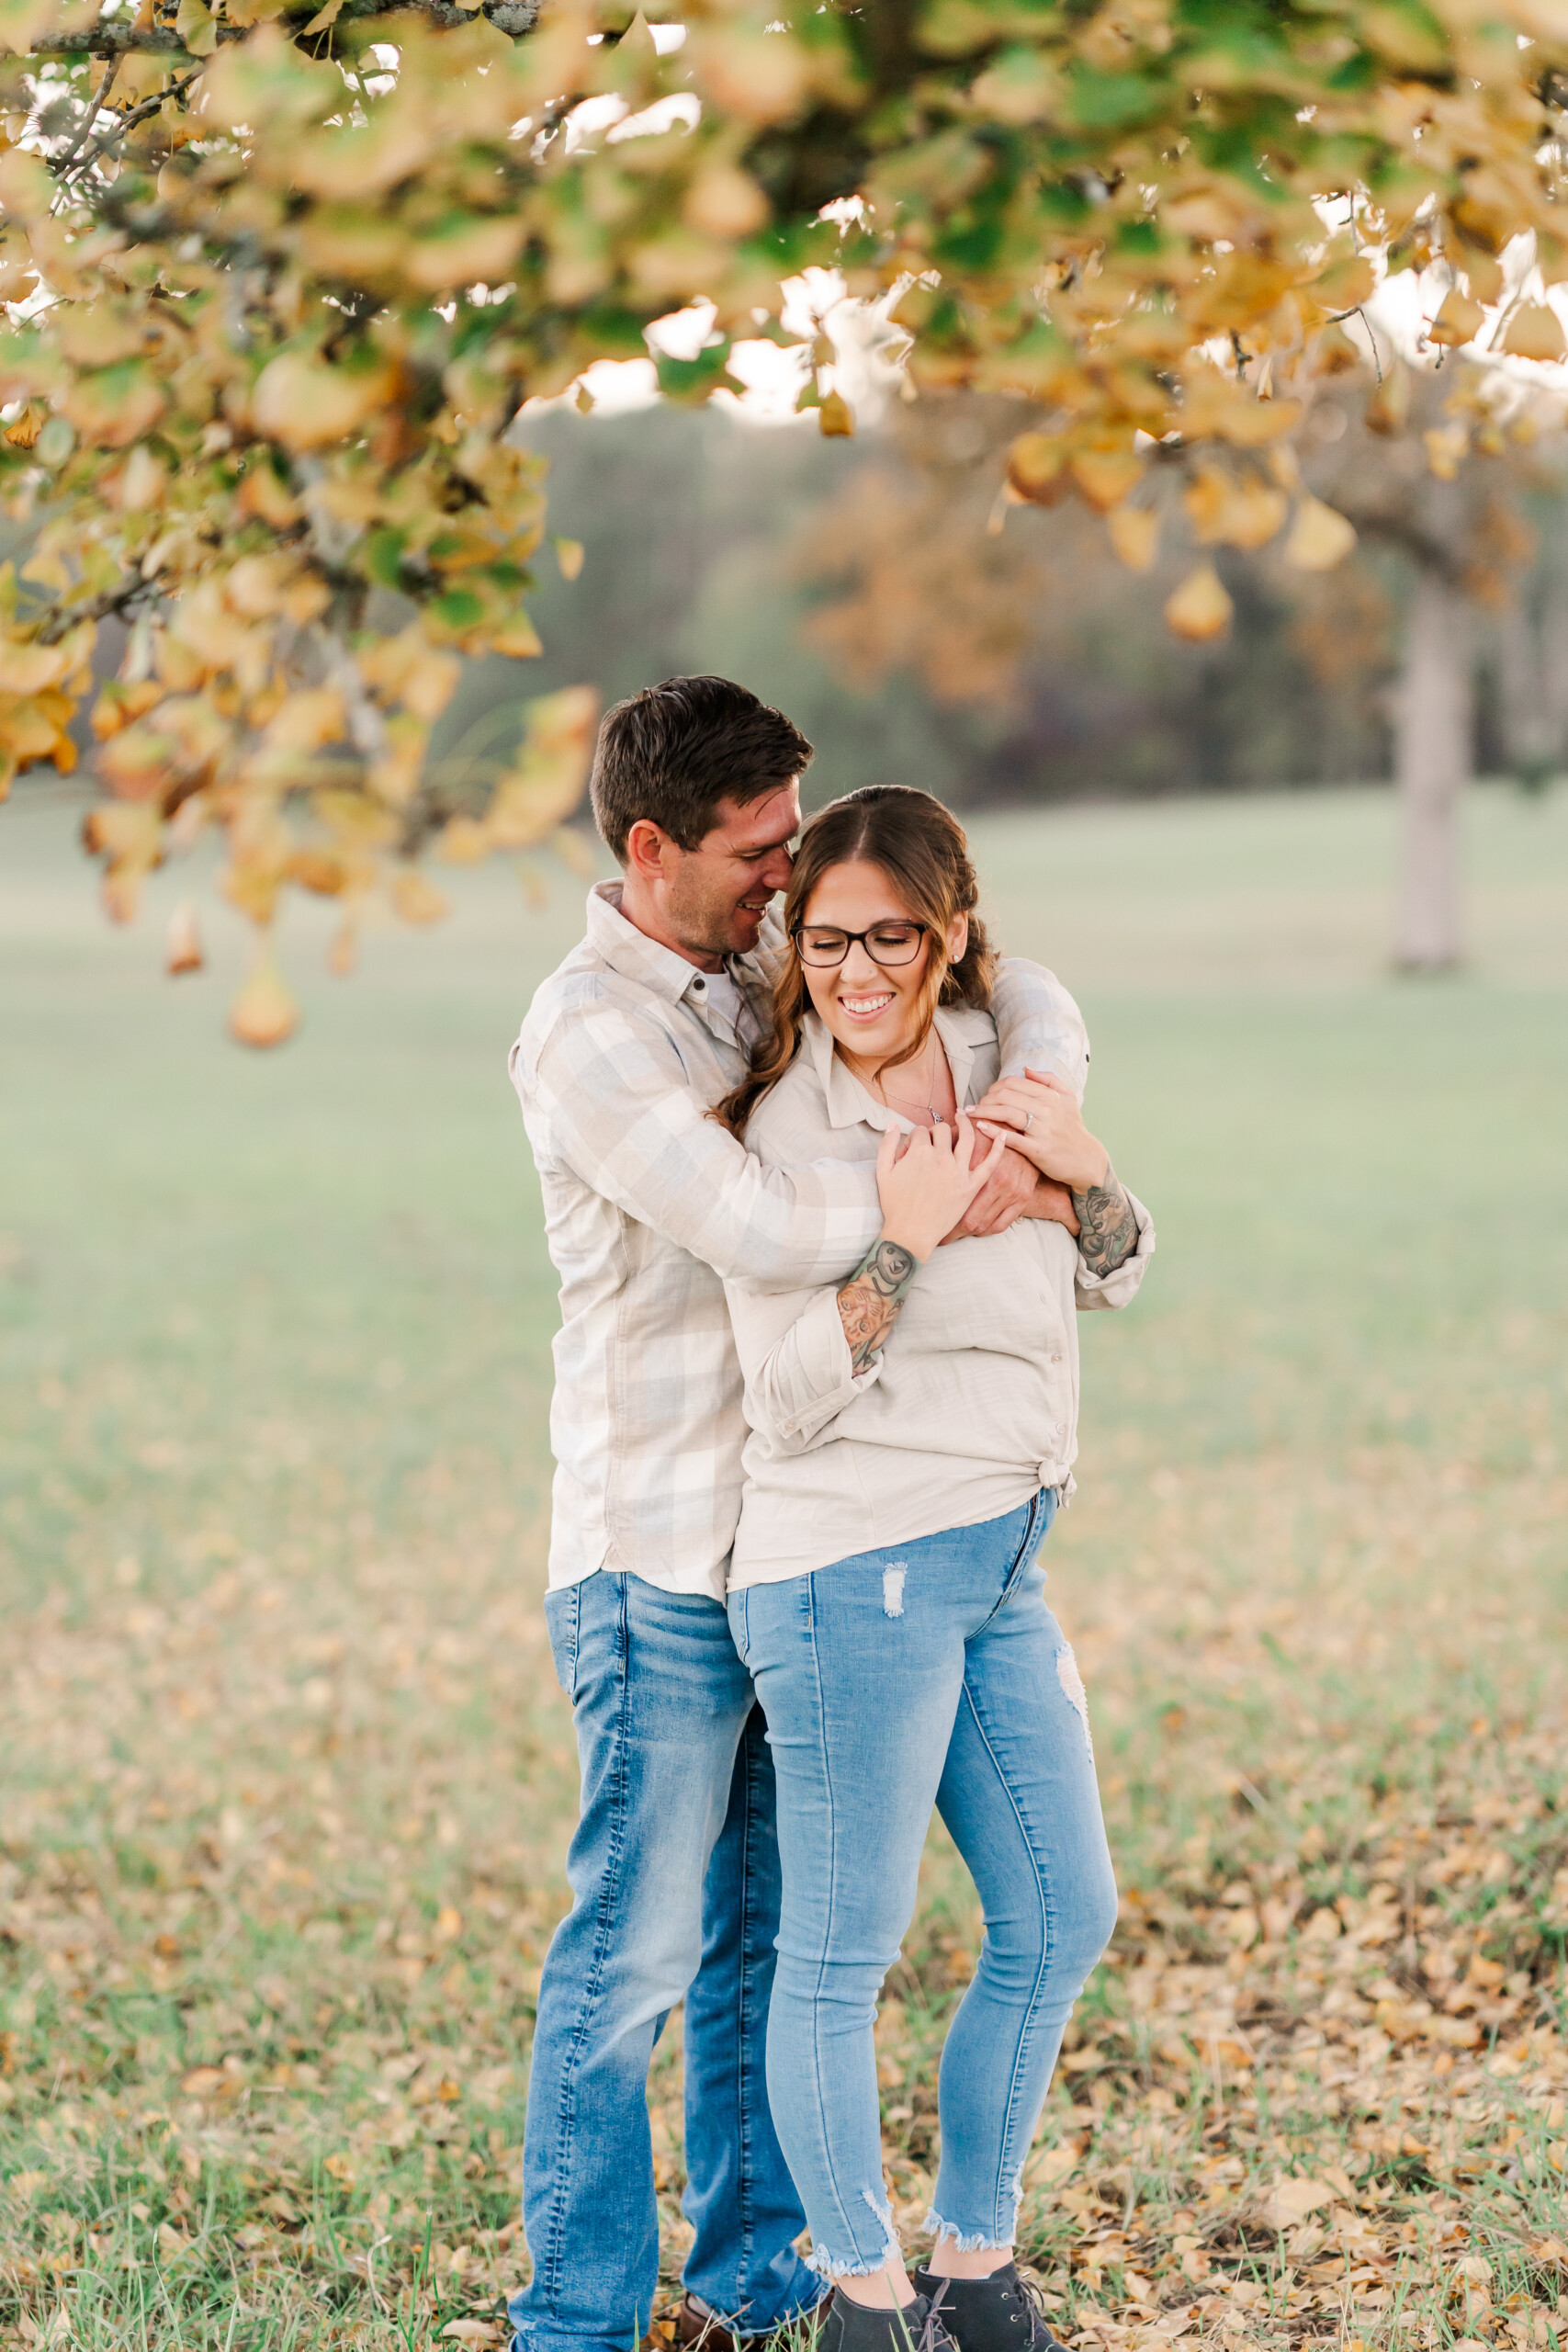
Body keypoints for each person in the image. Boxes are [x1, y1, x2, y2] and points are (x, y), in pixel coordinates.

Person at [508, 679, 1094, 2352]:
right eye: (758, 854)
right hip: (657, 1551)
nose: (787, 886)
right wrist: (975, 1171)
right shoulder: (591, 1031)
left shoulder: (756, 957)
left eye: (790, 853)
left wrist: (1032, 1100)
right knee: (633, 1953)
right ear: (650, 846)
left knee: (769, 1944)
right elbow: (765, 1220)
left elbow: (997, 975)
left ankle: (764, 2276)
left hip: (800, 1531)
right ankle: (575, 2313)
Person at [715, 785, 1155, 2352]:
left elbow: (1119, 1268)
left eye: (890, 935)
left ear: (949, 933)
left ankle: (973, 2266)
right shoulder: (788, 1137)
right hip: (850, 1573)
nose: (855, 970)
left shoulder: (1011, 1070)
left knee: (1061, 1910)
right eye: (826, 940)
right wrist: (892, 1250)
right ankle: (864, 2293)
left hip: (999, 1554)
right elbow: (777, 1395)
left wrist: (1087, 1177)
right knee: (842, 1954)